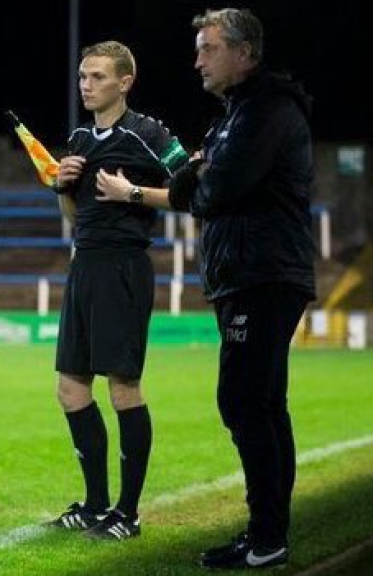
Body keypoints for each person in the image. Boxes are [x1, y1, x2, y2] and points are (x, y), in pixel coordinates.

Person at [96, 8, 315, 569]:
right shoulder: (236, 115)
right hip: (247, 275)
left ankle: (266, 536)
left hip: (263, 274)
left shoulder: (265, 110)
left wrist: (196, 173)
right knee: (262, 404)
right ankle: (269, 533)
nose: (197, 60)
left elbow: (210, 189)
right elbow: (196, 180)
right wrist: (196, 173)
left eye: (209, 48)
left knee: (244, 401)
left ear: (244, 53)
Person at [44, 41, 189, 541]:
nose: (87, 85)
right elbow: (73, 217)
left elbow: (194, 192)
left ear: (124, 82)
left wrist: (132, 193)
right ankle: (95, 504)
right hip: (84, 264)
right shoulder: (80, 137)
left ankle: (127, 514)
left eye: (98, 77)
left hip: (124, 268)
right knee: (70, 387)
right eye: (83, 76)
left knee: (123, 385)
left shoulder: (149, 134)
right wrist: (63, 186)